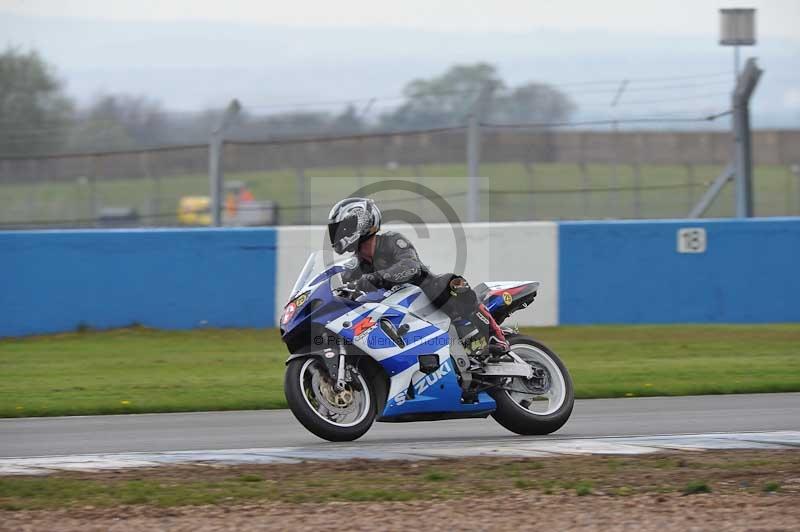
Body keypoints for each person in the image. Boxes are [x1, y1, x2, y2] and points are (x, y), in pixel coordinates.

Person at [327, 197, 509, 356]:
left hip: (428, 295)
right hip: (396, 311)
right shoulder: (356, 265)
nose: (338, 234)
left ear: (361, 223)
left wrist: (376, 278)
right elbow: (343, 285)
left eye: (342, 228)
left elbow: (411, 266)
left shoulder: (392, 240)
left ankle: (495, 335)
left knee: (451, 283)